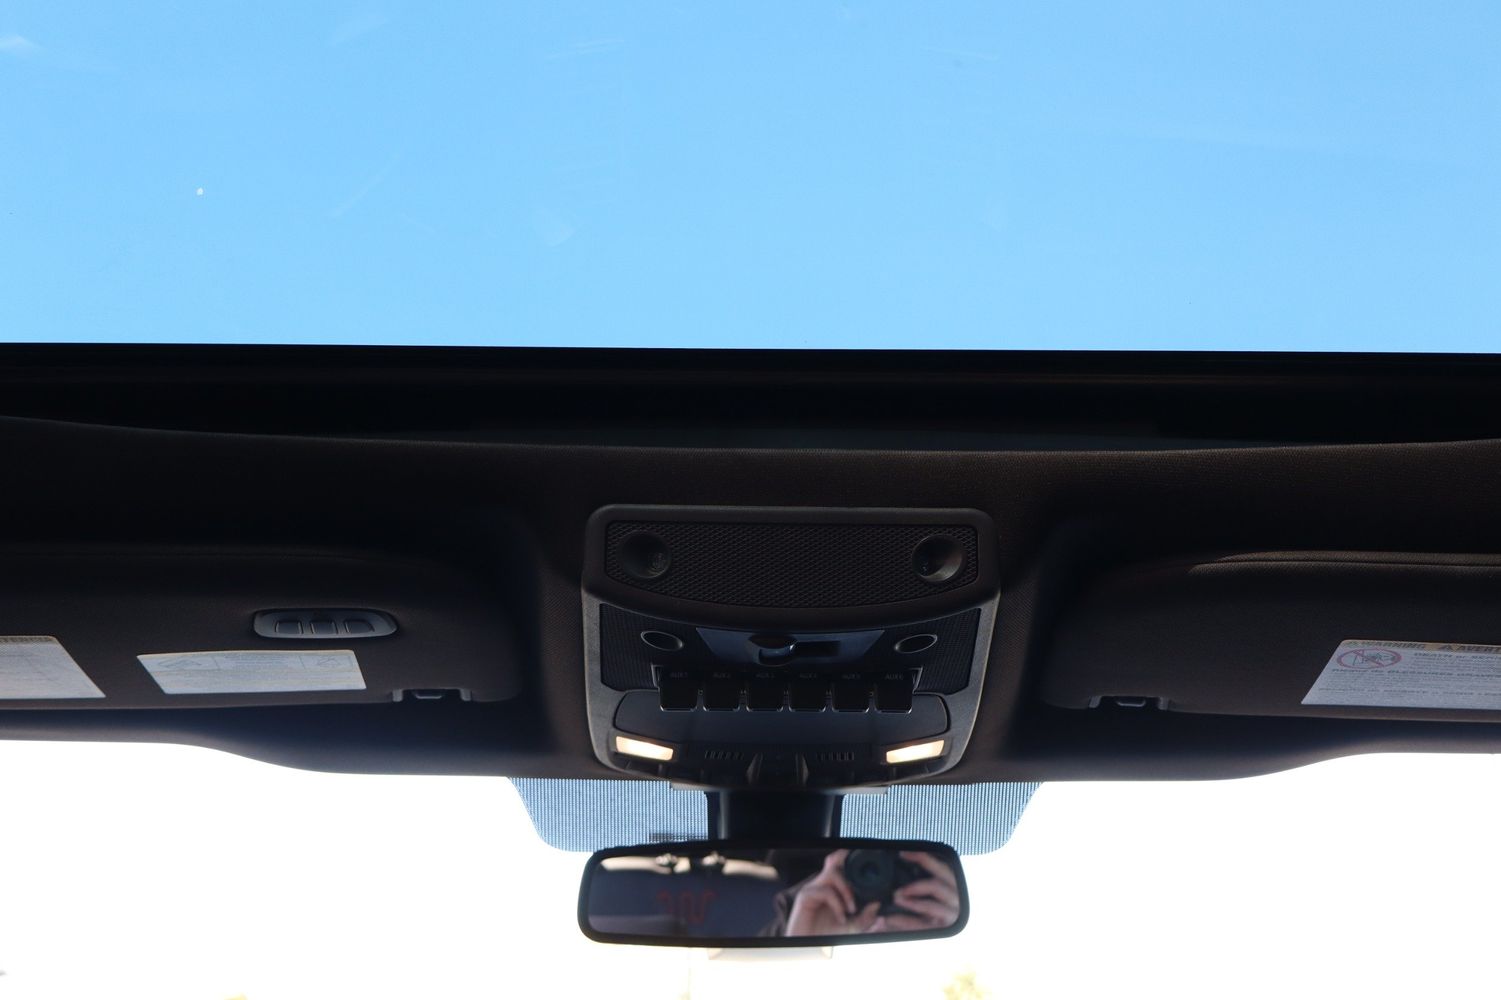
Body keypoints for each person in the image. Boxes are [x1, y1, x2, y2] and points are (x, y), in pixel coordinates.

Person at [763, 848, 961, 937]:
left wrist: (942, 941)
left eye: (904, 872)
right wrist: (801, 942)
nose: (880, 882)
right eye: (865, 870)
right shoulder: (822, 905)